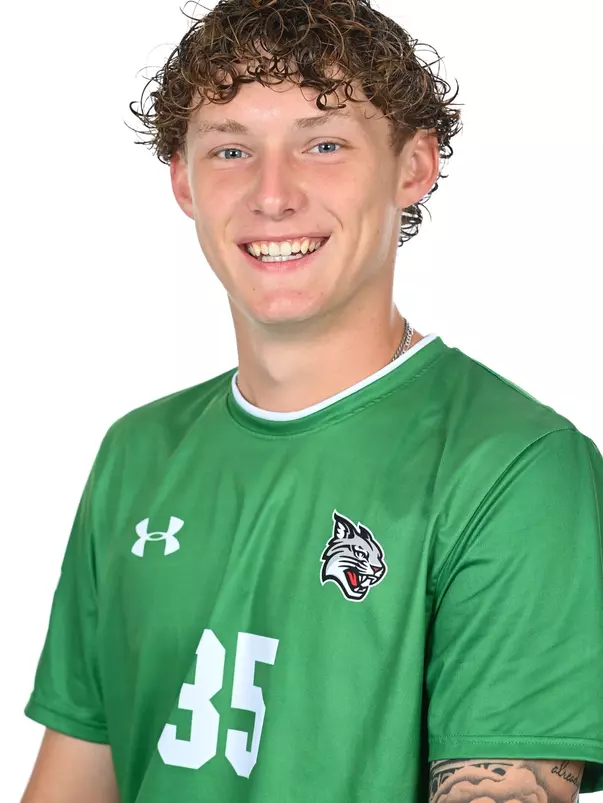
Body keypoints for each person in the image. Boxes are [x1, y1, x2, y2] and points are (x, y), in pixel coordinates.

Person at [20, 0, 603, 801]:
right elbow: (78, 778)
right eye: (230, 149)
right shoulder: (137, 450)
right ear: (184, 181)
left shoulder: (514, 468)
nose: (272, 194)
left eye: (322, 144)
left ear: (413, 166)